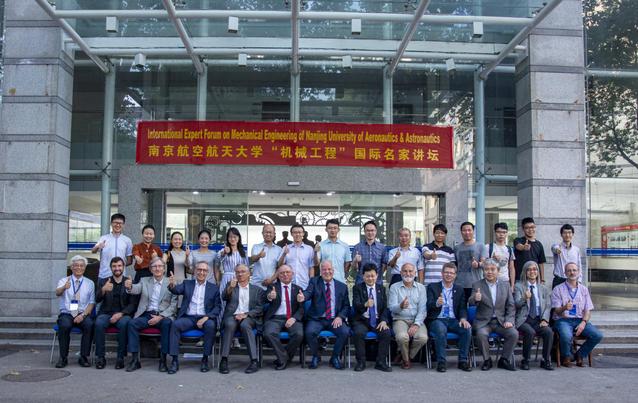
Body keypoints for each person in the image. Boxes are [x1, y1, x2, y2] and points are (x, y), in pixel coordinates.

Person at [166, 261, 221, 374]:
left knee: (211, 325)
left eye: (204, 270)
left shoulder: (214, 288)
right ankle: (174, 360)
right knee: (175, 325)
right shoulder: (187, 283)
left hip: (205, 318)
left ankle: (205, 359)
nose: (201, 272)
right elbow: (176, 290)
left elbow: (217, 307)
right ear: (195, 271)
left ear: (207, 272)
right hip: (189, 318)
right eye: (199, 270)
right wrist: (172, 284)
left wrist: (206, 317)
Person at [124, 257, 177, 372]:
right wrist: (130, 286)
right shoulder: (144, 280)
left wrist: (160, 317)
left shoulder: (171, 282)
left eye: (160, 266)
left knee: (167, 324)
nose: (157, 269)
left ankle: (163, 360)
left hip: (163, 315)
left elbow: (173, 305)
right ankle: (135, 360)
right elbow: (136, 289)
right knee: (132, 324)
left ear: (164, 269)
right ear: (150, 269)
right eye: (154, 266)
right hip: (147, 314)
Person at [299, 260, 351, 370]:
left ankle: (335, 357)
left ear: (333, 270)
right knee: (309, 332)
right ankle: (316, 356)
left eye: (329, 269)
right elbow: (308, 292)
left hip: (334, 318)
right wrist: (303, 296)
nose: (327, 272)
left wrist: (340, 317)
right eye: (324, 270)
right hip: (317, 319)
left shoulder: (342, 286)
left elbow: (346, 306)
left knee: (344, 332)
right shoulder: (314, 282)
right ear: (320, 271)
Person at [469, 258, 517, 371]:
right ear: (483, 271)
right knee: (481, 334)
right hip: (484, 322)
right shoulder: (477, 285)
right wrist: (475, 298)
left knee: (513, 333)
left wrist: (509, 320)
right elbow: (470, 301)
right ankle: (487, 360)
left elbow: (511, 306)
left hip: (501, 322)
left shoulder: (505, 285)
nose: (489, 272)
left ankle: (504, 360)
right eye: (486, 269)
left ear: (498, 271)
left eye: (492, 269)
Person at [551, 262, 603, 367]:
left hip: (579, 319)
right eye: (569, 270)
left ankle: (580, 355)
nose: (572, 272)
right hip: (563, 320)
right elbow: (556, 311)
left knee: (597, 335)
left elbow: (588, 310)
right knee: (566, 335)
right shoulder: (558, 289)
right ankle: (567, 357)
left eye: (574, 270)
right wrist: (564, 307)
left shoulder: (584, 289)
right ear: (565, 273)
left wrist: (583, 322)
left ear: (578, 272)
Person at [425, 262, 472, 372]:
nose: (448, 275)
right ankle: (441, 362)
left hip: (453, 319)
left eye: (451, 273)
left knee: (467, 329)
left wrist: (463, 319)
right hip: (437, 319)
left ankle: (463, 361)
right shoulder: (432, 287)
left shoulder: (459, 289)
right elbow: (427, 305)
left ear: (455, 275)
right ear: (442, 273)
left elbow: (462, 307)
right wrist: (436, 303)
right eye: (446, 272)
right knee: (440, 330)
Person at [218, 264, 265, 374]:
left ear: (249, 274)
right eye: (238, 272)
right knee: (229, 325)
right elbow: (224, 297)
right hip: (232, 316)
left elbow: (260, 308)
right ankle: (224, 360)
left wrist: (246, 314)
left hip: (249, 317)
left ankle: (254, 361)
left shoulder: (257, 290)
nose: (240, 274)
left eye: (243, 271)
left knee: (245, 325)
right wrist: (230, 287)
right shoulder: (231, 285)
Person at [94, 257, 136, 370]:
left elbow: (133, 304)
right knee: (98, 323)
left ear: (123, 267)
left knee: (124, 324)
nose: (117, 268)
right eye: (114, 266)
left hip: (123, 314)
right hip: (106, 313)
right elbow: (97, 299)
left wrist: (120, 314)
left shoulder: (129, 282)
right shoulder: (104, 281)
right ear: (111, 268)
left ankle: (120, 358)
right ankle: (100, 357)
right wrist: (103, 290)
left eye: (119, 266)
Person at [54, 255, 95, 368]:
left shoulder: (90, 283)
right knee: (64, 325)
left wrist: (83, 315)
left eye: (81, 266)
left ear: (85, 268)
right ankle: (63, 357)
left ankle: (84, 357)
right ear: (71, 267)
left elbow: (91, 303)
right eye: (76, 265)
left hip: (82, 313)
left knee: (89, 325)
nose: (79, 268)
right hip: (67, 313)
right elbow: (57, 293)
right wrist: (64, 287)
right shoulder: (64, 280)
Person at [351, 263, 392, 372]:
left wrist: (384, 320)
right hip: (362, 320)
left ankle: (381, 362)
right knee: (358, 333)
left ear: (377, 276)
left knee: (386, 333)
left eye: (372, 276)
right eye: (367, 276)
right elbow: (355, 305)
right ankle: (361, 362)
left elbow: (384, 308)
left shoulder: (381, 289)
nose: (370, 278)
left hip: (377, 320)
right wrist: (365, 304)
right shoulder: (357, 288)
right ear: (363, 276)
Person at [263, 264, 304, 370]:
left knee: (299, 334)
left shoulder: (298, 289)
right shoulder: (272, 287)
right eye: (282, 273)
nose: (285, 274)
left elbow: (301, 309)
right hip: (275, 318)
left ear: (292, 274)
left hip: (292, 318)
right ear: (278, 275)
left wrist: (294, 318)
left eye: (287, 272)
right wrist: (270, 296)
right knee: (268, 333)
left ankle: (282, 358)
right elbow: (265, 298)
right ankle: (284, 358)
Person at [514, 261, 554, 371]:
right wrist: (524, 298)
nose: (532, 272)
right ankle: (525, 360)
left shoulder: (543, 288)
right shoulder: (519, 286)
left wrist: (545, 319)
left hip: (538, 320)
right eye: (529, 269)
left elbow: (548, 306)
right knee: (530, 332)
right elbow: (516, 304)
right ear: (525, 272)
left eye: (535, 269)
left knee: (548, 332)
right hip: (524, 320)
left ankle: (545, 360)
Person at [388, 263, 428, 369]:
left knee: (422, 338)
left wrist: (416, 324)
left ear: (415, 273)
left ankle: (405, 356)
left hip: (416, 319)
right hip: (400, 319)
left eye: (410, 271)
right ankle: (406, 361)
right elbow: (392, 308)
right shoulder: (394, 287)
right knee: (402, 337)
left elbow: (423, 309)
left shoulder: (421, 288)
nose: (408, 273)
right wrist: (400, 306)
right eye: (405, 271)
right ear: (401, 273)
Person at [92, 213, 133, 280]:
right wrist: (98, 247)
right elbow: (93, 251)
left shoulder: (127, 240)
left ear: (123, 225)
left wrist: (118, 267)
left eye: (120, 223)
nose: (118, 225)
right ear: (111, 223)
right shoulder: (104, 238)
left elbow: (129, 260)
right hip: (104, 275)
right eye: (115, 222)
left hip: (120, 276)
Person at [455, 221, 487, 300]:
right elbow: (455, 265)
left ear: (473, 231)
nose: (467, 232)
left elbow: (485, 263)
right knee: (460, 306)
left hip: (475, 283)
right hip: (459, 284)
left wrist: (478, 264)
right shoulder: (457, 248)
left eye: (469, 230)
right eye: (464, 230)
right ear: (461, 232)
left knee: (474, 305)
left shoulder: (480, 246)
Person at [314, 219, 352, 284]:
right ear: (326, 229)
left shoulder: (345, 246)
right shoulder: (320, 245)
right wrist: (315, 252)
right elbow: (317, 263)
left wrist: (342, 273)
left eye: (335, 228)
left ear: (338, 230)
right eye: (330, 228)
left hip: (340, 281)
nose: (332, 230)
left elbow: (347, 264)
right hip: (324, 281)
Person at [278, 223, 315, 290]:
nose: (297, 234)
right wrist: (284, 254)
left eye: (299, 232)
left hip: (305, 285)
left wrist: (311, 284)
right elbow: (280, 265)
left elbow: (311, 268)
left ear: (303, 234)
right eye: (295, 232)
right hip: (289, 285)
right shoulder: (286, 248)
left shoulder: (309, 249)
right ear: (291, 234)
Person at [351, 220, 388, 285]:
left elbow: (384, 266)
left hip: (377, 283)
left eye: (372, 230)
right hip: (361, 282)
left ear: (376, 231)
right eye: (368, 230)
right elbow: (354, 268)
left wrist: (377, 275)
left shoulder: (382, 248)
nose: (370, 233)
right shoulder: (357, 247)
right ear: (364, 232)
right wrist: (355, 261)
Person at [217, 227, 250, 294]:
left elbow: (247, 268)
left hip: (240, 278)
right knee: (225, 296)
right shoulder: (224, 250)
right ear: (227, 238)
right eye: (230, 237)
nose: (232, 239)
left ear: (238, 238)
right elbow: (218, 258)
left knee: (238, 297)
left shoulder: (243, 253)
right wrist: (225, 252)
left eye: (235, 237)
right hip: (227, 278)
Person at [250, 224, 283, 290]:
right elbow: (252, 259)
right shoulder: (256, 247)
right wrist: (259, 256)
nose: (268, 234)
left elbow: (280, 267)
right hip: (257, 284)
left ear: (274, 234)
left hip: (272, 284)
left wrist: (271, 279)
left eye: (270, 232)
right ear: (262, 233)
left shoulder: (279, 249)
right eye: (266, 232)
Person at [513, 217, 546, 283]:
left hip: (534, 280)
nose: (530, 229)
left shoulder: (539, 244)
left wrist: (542, 279)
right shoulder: (518, 240)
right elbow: (518, 246)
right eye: (527, 228)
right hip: (520, 279)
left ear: (535, 227)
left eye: (532, 227)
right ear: (523, 229)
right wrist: (524, 247)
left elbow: (541, 263)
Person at [551, 224, 582, 289]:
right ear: (561, 234)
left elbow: (579, 266)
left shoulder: (576, 250)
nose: (567, 235)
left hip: (573, 280)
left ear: (572, 234)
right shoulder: (557, 247)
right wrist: (557, 250)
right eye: (565, 233)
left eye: (569, 233)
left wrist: (579, 281)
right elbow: (554, 248)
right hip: (559, 280)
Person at [486, 222, 516, 290]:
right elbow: (483, 264)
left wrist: (512, 285)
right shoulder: (488, 247)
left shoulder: (509, 249)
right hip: (491, 281)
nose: (501, 234)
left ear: (507, 233)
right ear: (495, 233)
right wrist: (492, 259)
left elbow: (511, 268)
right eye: (499, 232)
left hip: (505, 281)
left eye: (504, 232)